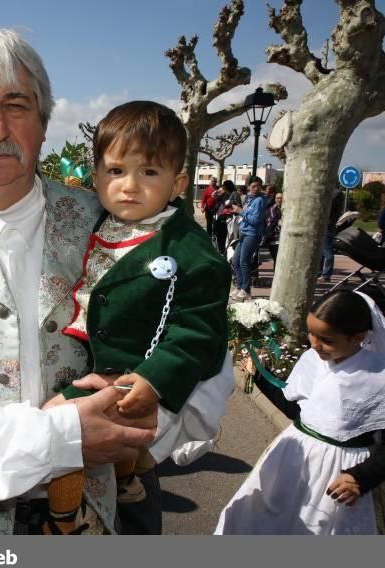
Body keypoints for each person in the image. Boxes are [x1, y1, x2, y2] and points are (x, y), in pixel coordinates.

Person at [0, 29, 225, 536]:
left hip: (104, 509)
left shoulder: (113, 220)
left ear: (44, 123)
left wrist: (152, 420)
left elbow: (201, 328)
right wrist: (57, 439)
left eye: (16, 105)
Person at [40, 101, 232, 535]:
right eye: (115, 171)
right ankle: (131, 475)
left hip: (133, 372)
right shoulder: (102, 222)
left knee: (58, 424)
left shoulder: (188, 248)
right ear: (96, 178)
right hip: (102, 360)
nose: (129, 186)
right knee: (108, 437)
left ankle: (65, 521)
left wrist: (155, 379)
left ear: (178, 182)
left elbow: (200, 329)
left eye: (148, 172)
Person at [216, 290, 385, 534]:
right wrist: (261, 377)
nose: (315, 344)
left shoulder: (378, 377)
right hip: (289, 459)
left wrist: (361, 477)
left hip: (339, 475)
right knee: (255, 521)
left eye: (326, 339)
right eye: (311, 334)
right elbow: (297, 410)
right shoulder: (312, 359)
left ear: (357, 337)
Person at [230, 176, 266, 301]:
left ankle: (246, 289)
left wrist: (241, 211)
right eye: (253, 186)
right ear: (249, 186)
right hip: (244, 233)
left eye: (258, 186)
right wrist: (238, 211)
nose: (256, 189)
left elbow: (256, 220)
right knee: (235, 261)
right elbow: (246, 215)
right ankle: (240, 286)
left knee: (244, 261)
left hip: (252, 234)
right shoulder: (249, 199)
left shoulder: (260, 200)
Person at [319, 188, 344, 282]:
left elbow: (328, 207)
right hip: (329, 225)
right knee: (322, 250)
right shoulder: (336, 193)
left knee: (327, 250)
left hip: (328, 225)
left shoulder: (334, 193)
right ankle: (321, 272)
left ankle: (326, 274)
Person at [262, 192, 283, 267]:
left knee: (279, 260)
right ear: (275, 199)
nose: (279, 200)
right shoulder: (271, 210)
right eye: (277, 198)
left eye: (281, 198)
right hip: (272, 238)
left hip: (282, 239)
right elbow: (268, 223)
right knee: (276, 259)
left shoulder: (286, 210)